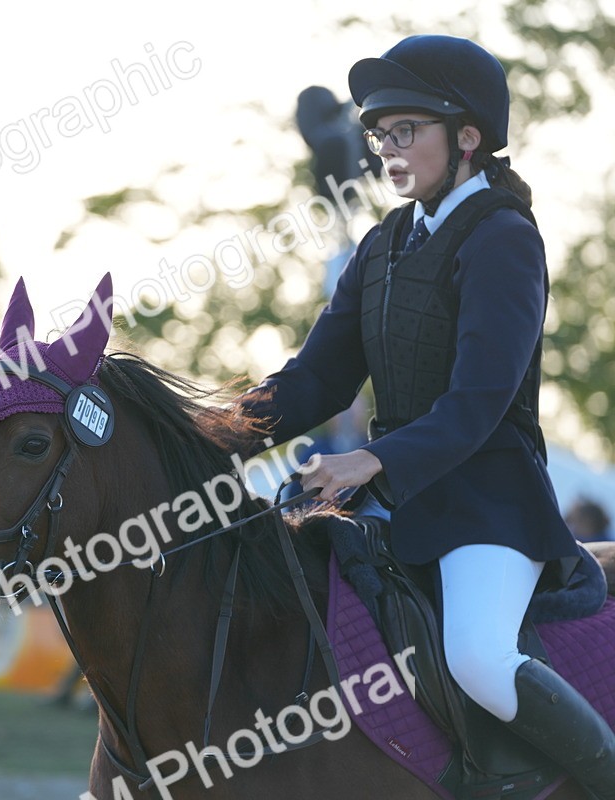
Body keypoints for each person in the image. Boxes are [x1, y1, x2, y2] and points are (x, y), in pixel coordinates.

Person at [237, 35, 615, 797]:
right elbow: (316, 379)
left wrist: (369, 461)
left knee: (477, 654)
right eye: (380, 134)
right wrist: (216, 426)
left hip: (489, 504)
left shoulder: (505, 238)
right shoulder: (382, 246)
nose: (386, 149)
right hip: (396, 499)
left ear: (467, 136)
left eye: (405, 130)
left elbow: (479, 402)